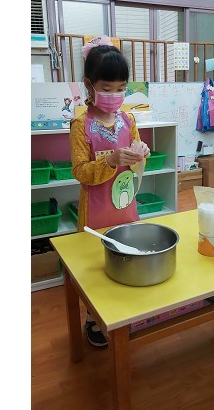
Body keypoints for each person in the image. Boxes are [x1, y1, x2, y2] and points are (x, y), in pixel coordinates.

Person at [70, 36, 150, 347]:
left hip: (125, 203)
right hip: (97, 210)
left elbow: (137, 153)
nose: (115, 95)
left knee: (127, 256)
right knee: (95, 266)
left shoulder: (128, 119)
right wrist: (111, 160)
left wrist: (141, 152)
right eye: (107, 88)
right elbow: (80, 171)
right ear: (89, 85)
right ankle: (93, 317)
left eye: (121, 88)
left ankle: (124, 310)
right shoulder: (81, 125)